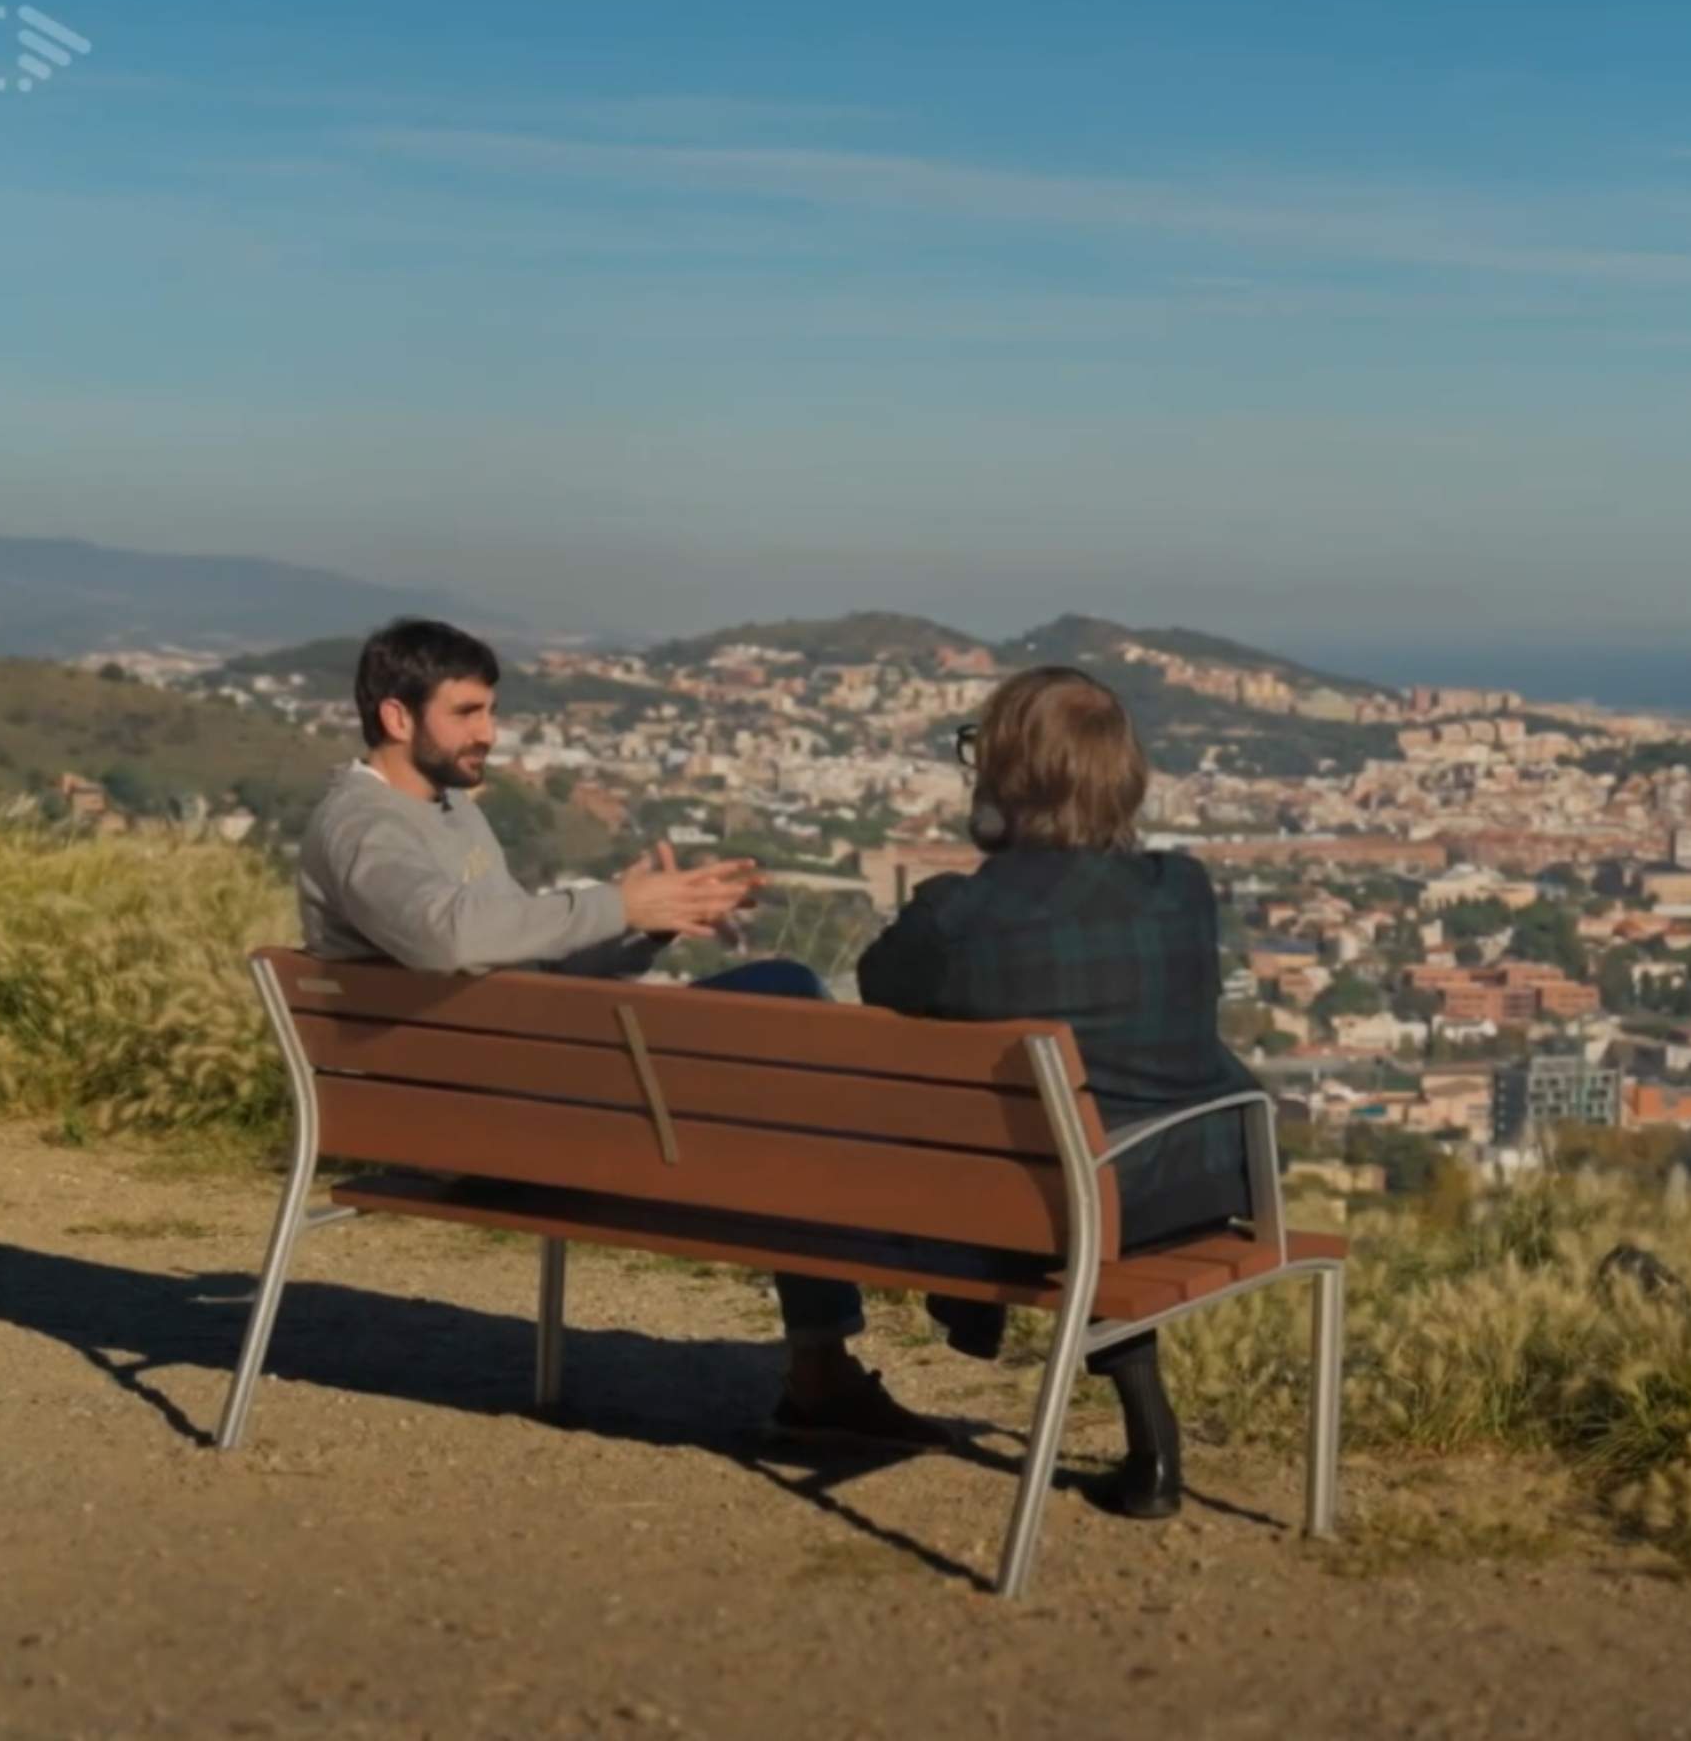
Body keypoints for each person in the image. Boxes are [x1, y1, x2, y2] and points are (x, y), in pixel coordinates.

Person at [296, 617, 953, 1449]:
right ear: (397, 717)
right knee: (789, 1034)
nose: (489, 732)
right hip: (471, 1124)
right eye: (466, 713)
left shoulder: (449, 811)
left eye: (490, 710)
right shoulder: (364, 826)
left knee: (785, 1013)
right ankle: (837, 1342)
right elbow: (449, 938)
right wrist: (616, 903)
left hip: (503, 1092)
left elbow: (524, 967)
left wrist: (647, 927)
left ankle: (828, 1354)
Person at [855, 665, 1261, 1519]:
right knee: (1097, 1145)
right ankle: (1149, 1443)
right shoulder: (1183, 891)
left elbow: (879, 985)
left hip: (1033, 1206)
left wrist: (954, 890)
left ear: (1004, 777)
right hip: (1197, 1185)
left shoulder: (957, 918)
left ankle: (937, 1320)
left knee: (1058, 1156)